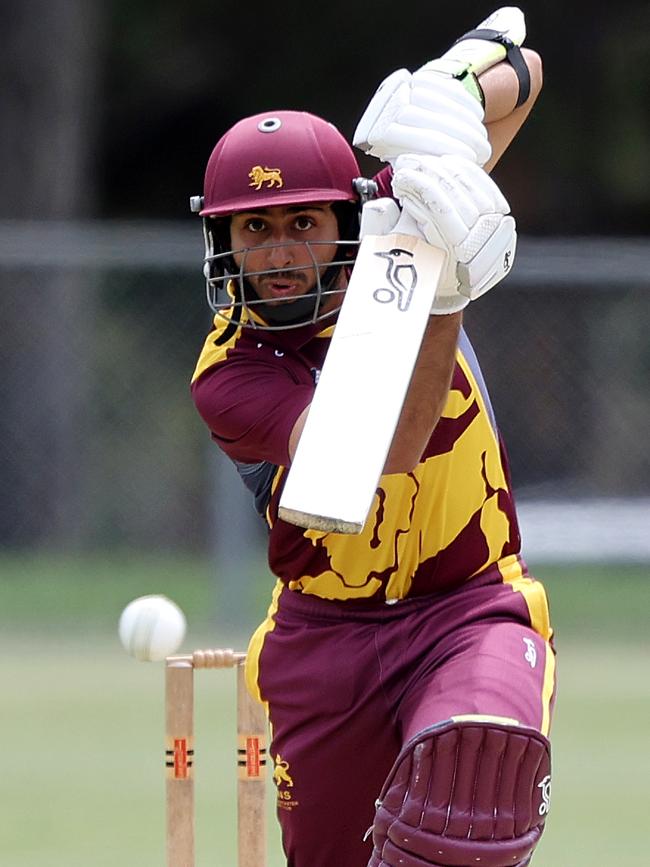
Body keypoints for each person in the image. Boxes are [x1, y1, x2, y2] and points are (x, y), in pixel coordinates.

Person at [190, 12, 555, 867]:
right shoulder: (232, 373)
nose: (281, 250)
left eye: (302, 223)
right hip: (326, 640)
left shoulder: (399, 229)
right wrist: (446, 292)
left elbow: (527, 70)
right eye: (256, 229)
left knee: (479, 755)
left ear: (346, 219)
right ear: (224, 242)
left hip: (469, 605)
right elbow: (382, 448)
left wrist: (455, 95)